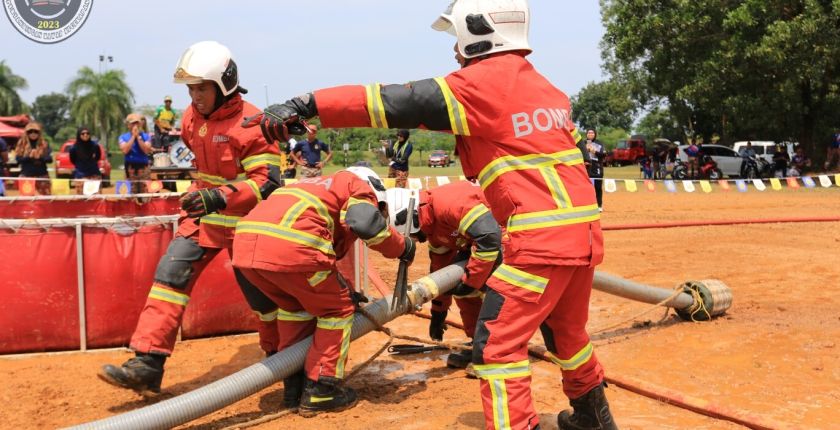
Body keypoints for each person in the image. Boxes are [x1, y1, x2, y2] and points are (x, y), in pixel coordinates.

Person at [244, 1, 616, 428]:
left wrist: (307, 104)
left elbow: (388, 101)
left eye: (457, 39)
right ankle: (593, 419)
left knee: (496, 348)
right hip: (582, 237)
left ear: (478, 33)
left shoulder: (481, 85)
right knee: (569, 335)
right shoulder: (546, 89)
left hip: (538, 242)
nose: (455, 52)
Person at [98, 41, 285, 396]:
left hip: (249, 225)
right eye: (191, 89)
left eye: (202, 88)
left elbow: (269, 182)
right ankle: (147, 362)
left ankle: (283, 362)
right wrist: (207, 198)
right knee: (170, 277)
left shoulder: (254, 123)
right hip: (203, 220)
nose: (195, 96)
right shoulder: (189, 118)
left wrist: (219, 196)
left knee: (264, 301)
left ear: (224, 84)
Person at [231, 167, 416, 416]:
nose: (379, 213)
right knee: (337, 311)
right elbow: (365, 223)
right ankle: (321, 390)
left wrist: (345, 288)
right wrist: (402, 246)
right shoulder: (355, 185)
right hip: (292, 246)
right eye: (380, 208)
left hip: (246, 249)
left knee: (294, 308)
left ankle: (293, 388)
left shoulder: (313, 185)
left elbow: (323, 252)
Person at [386, 181, 502, 373]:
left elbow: (489, 237)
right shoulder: (433, 224)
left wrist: (473, 281)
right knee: (461, 286)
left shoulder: (449, 204)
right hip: (484, 242)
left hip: (507, 237)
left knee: (494, 288)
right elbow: (442, 270)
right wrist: (438, 313)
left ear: (411, 218)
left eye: (415, 236)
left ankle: (496, 351)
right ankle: (478, 344)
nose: (418, 240)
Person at [119, 113, 153, 194]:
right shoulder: (123, 137)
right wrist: (133, 137)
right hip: (130, 169)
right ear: (128, 125)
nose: (135, 125)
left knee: (146, 194)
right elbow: (125, 150)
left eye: (137, 123)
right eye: (133, 123)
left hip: (143, 169)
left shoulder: (146, 136)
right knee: (130, 195)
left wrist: (138, 137)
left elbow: (146, 150)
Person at [15, 122, 52, 195]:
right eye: (30, 132)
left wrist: (39, 157)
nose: (33, 134)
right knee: (27, 200)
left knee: (47, 199)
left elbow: (50, 159)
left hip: (42, 175)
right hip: (26, 175)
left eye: (36, 132)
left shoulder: (44, 144)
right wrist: (29, 157)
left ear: (39, 133)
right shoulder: (21, 144)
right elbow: (18, 160)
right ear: (26, 133)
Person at [69, 126, 101, 194]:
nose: (85, 135)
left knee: (97, 199)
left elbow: (98, 157)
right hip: (81, 175)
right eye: (82, 133)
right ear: (79, 135)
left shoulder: (95, 146)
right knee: (82, 200)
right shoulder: (73, 148)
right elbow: (72, 160)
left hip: (94, 174)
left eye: (87, 133)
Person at [585, 128, 606, 212]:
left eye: (592, 133)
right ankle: (587, 206)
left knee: (598, 187)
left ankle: (599, 205)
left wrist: (595, 152)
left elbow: (604, 155)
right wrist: (585, 150)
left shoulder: (600, 143)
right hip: (586, 168)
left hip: (597, 169)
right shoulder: (583, 144)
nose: (590, 134)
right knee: (586, 188)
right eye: (588, 133)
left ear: (595, 134)